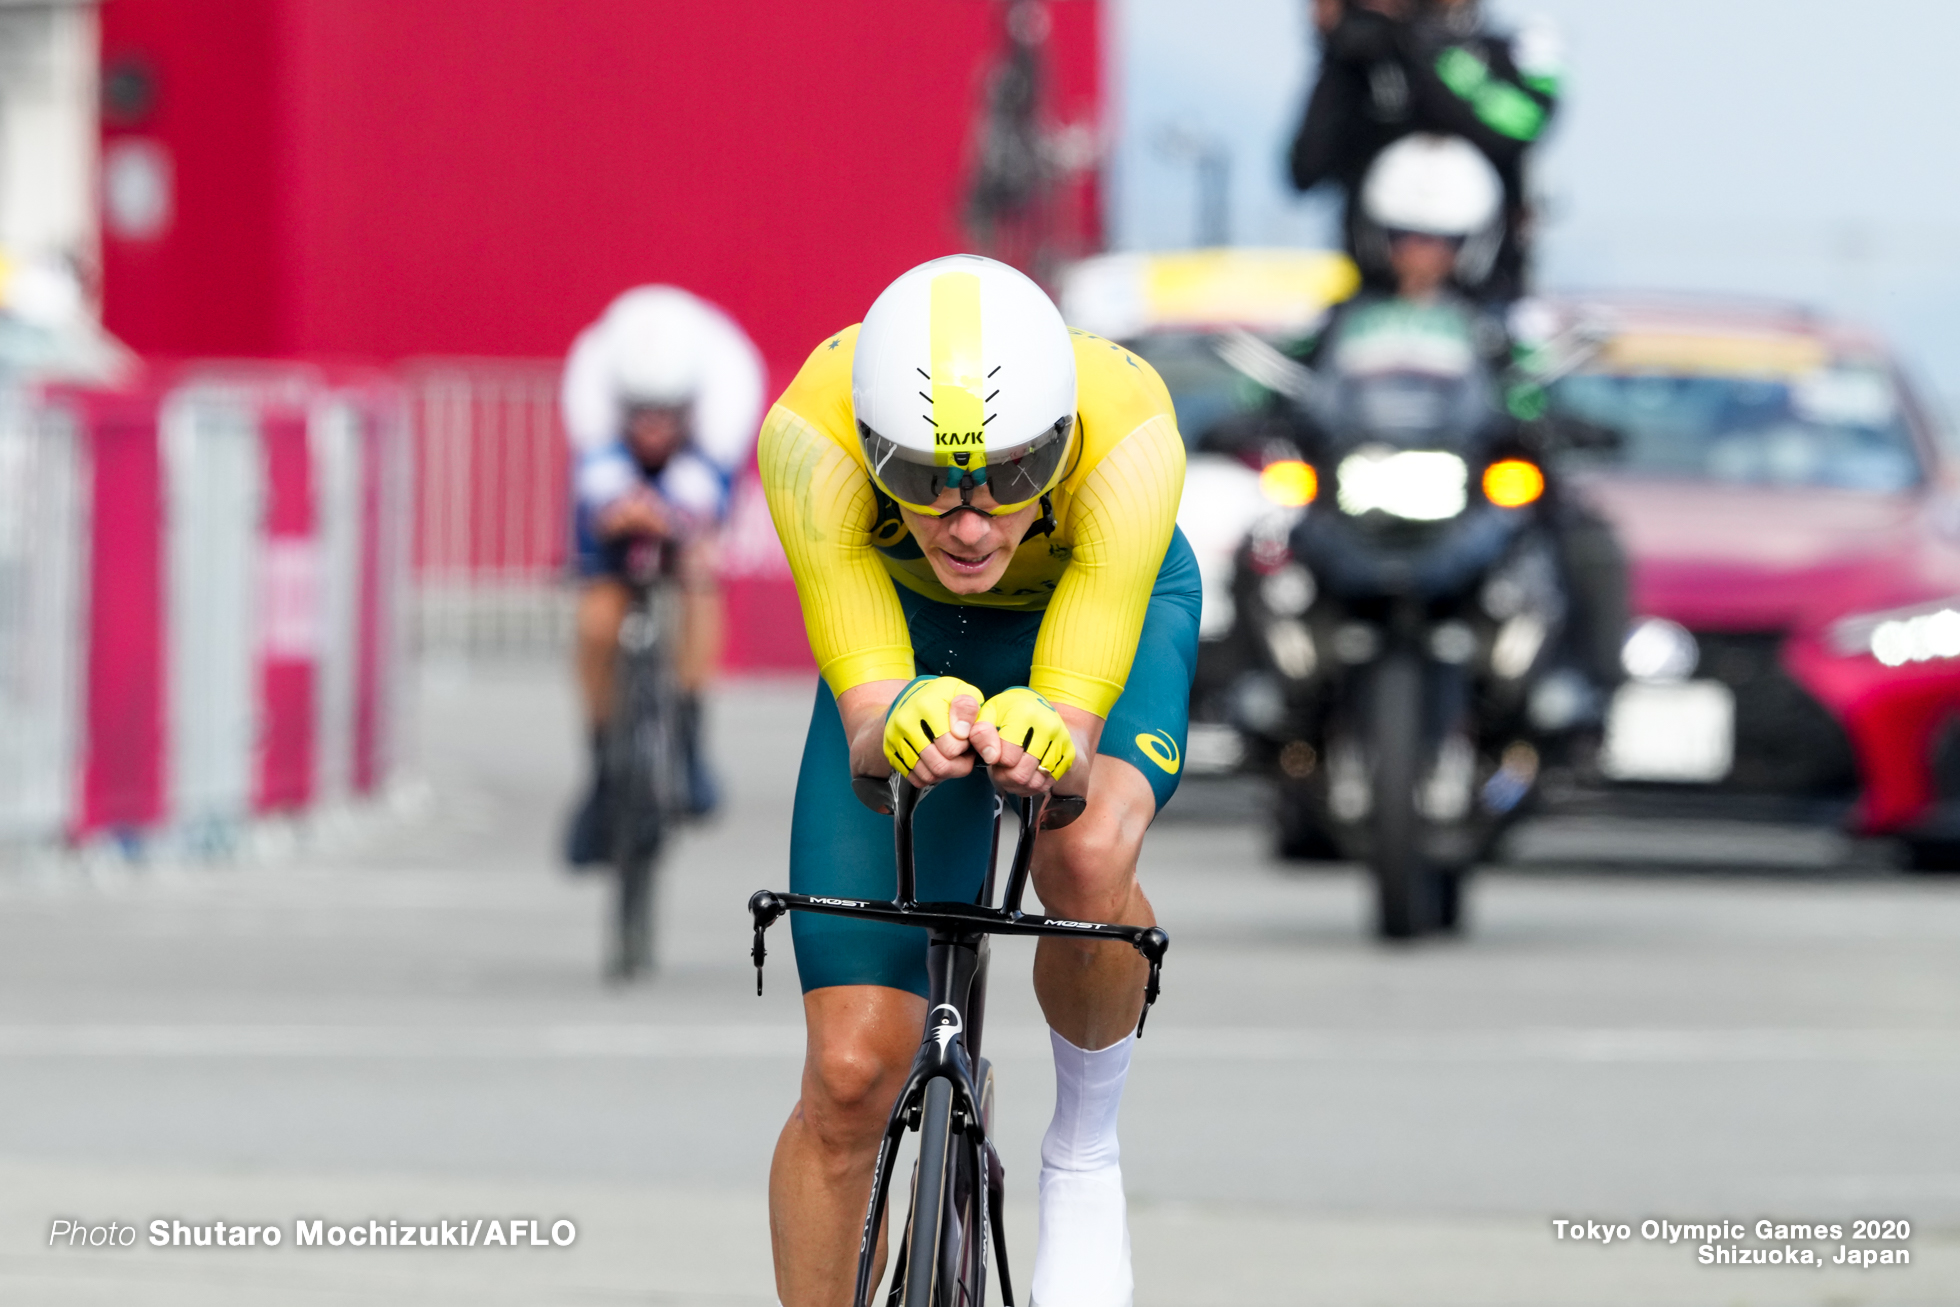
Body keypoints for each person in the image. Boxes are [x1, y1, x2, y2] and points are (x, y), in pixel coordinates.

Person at [758, 254, 1199, 1306]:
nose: (967, 520)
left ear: (1057, 442)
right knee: (853, 1073)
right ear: (869, 449)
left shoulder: (1129, 429)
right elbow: (869, 729)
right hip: (911, 638)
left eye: (1010, 476)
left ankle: (1083, 1152)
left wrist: (1053, 735)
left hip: (1089, 621)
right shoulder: (807, 435)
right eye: (921, 480)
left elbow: (1073, 746)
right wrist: (889, 724)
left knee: (1081, 844)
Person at [561, 286, 766, 864]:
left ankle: (690, 737)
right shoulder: (592, 382)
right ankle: (601, 772)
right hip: (613, 464)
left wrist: (674, 514)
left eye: (665, 416)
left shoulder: (727, 385)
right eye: (640, 415)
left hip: (697, 467)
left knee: (698, 571)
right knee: (598, 612)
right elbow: (597, 486)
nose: (652, 429)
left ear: (689, 406)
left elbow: (703, 492)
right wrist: (616, 511)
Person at [1288, 0, 1562, 302]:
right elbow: (1306, 169)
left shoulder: (1504, 55)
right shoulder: (1361, 66)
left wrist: (1414, 44)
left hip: (1486, 303)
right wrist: (1339, 55)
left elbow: (1521, 126)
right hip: (1372, 304)